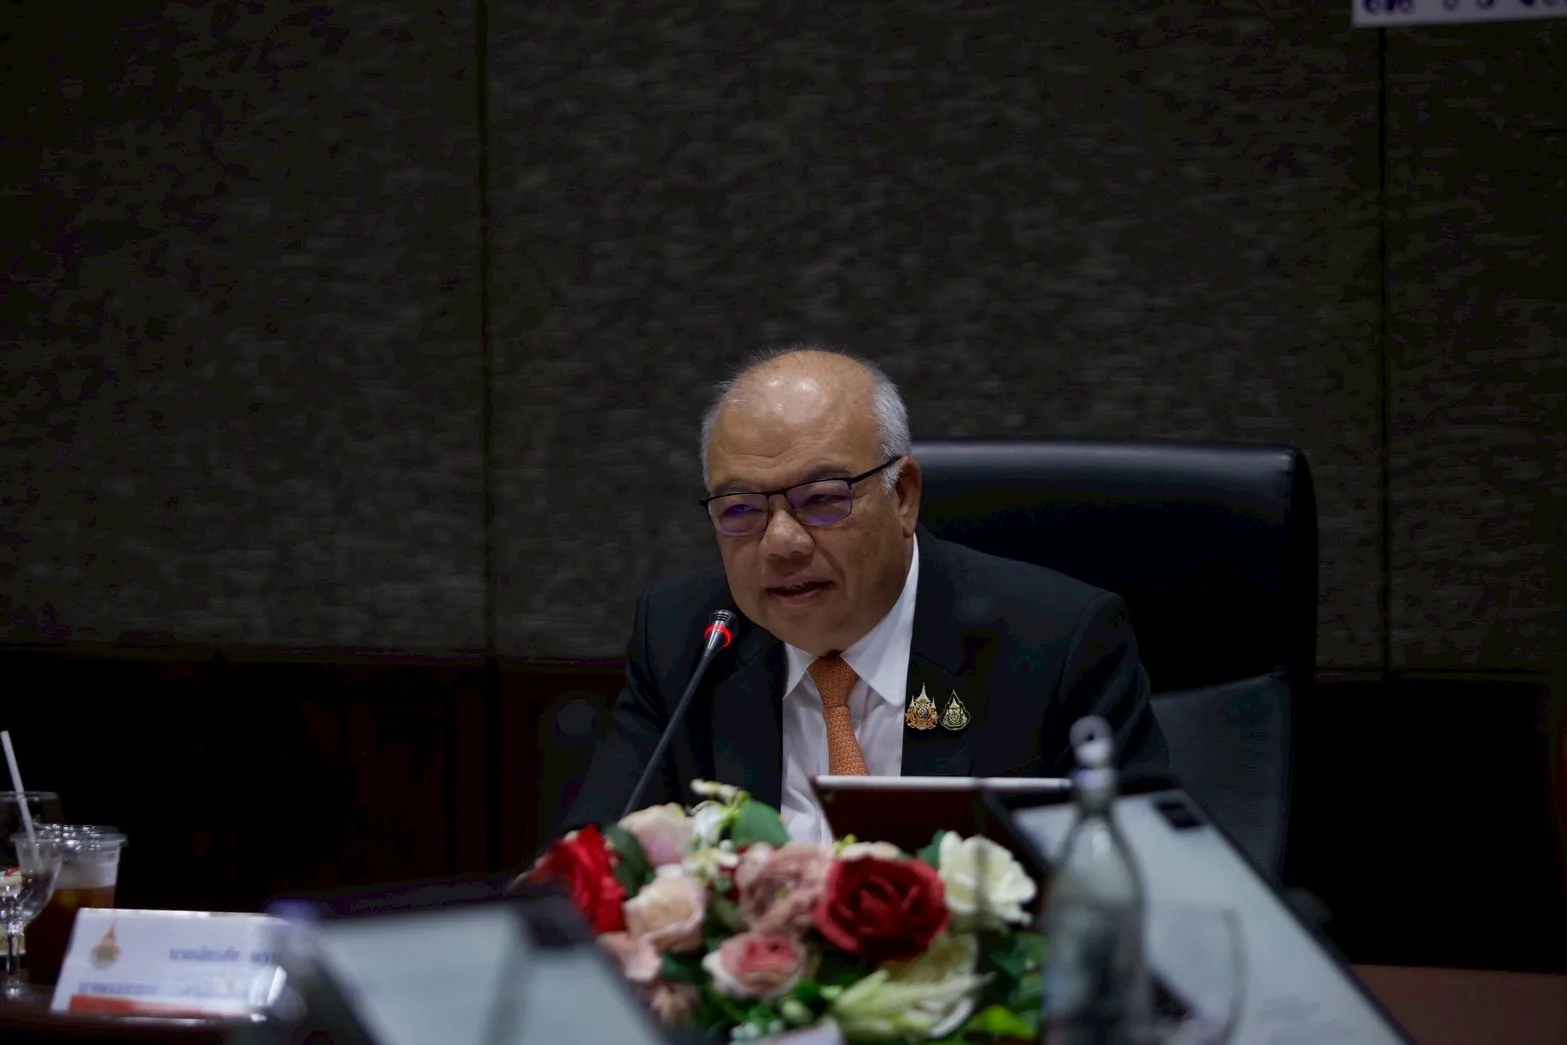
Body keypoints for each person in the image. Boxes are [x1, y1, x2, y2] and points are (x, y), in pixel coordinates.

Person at [559, 346, 1166, 843]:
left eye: (823, 499)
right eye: (740, 509)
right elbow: (593, 867)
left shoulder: (1057, 642)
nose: (781, 543)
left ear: (903, 497)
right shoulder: (686, 638)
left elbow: (1148, 885)